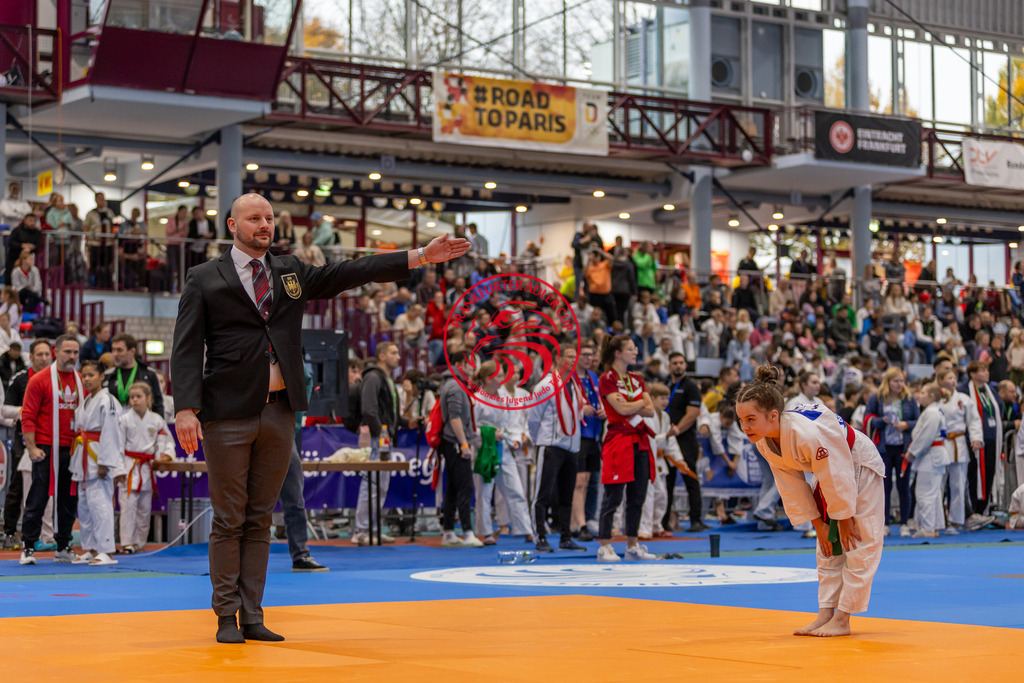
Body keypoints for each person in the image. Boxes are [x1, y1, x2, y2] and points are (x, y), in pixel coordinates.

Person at [171, 192, 468, 643]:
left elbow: (350, 272)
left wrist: (420, 255)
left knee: (260, 518)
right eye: (254, 218)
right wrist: (184, 408)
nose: (264, 225)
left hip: (280, 413)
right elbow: (186, 346)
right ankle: (225, 615)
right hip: (226, 413)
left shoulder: (289, 270)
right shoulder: (204, 278)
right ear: (233, 226)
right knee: (229, 518)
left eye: (269, 218)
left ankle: (253, 614)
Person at [736, 366, 885, 637]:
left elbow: (837, 471)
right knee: (827, 547)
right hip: (829, 473)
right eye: (741, 421)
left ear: (772, 416)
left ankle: (843, 618)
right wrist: (818, 524)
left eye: (750, 419)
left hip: (857, 463)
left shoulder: (805, 434)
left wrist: (844, 516)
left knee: (858, 542)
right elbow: (791, 486)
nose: (745, 427)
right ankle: (826, 613)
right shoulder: (765, 441)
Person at [18, 335, 83, 566]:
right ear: (56, 352)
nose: (72, 357)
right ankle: (28, 546)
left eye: (75, 352)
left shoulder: (80, 380)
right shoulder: (40, 379)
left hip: (71, 448)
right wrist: (32, 447)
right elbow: (27, 415)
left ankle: (64, 546)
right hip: (45, 447)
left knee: (68, 500)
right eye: (67, 352)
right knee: (38, 498)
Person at [595, 335, 657, 562]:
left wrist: (635, 404)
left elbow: (651, 410)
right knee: (613, 495)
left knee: (637, 495)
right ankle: (604, 545)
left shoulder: (637, 379)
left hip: (639, 440)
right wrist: (640, 402)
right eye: (631, 348)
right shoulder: (607, 378)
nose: (636, 352)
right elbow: (620, 409)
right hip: (618, 440)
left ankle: (632, 545)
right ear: (618, 353)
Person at [528, 343, 587, 553]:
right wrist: (539, 440)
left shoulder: (574, 383)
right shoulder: (545, 385)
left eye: (574, 357)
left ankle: (565, 537)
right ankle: (540, 536)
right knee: (543, 493)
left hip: (571, 445)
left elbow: (576, 410)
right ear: (558, 358)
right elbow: (533, 418)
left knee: (566, 495)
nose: (573, 361)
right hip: (551, 444)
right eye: (569, 357)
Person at [69, 360, 125, 566]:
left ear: (102, 377)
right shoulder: (86, 401)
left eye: (91, 375)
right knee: (85, 507)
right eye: (84, 375)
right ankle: (91, 549)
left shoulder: (107, 401)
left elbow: (111, 434)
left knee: (100, 505)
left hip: (97, 458)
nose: (86, 379)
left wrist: (105, 463)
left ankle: (107, 550)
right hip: (83, 459)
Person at [471, 361, 534, 545]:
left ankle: (525, 529)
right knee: (484, 493)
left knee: (516, 490)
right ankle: (486, 533)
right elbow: (472, 429)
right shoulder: (476, 400)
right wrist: (489, 434)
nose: (503, 379)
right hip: (485, 451)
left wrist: (513, 439)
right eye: (499, 376)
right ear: (488, 378)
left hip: (505, 450)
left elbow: (510, 423)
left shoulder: (504, 398)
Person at [352, 341, 404, 546]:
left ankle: (372, 529)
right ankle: (362, 530)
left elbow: (389, 413)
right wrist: (381, 434)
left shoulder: (387, 379)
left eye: (398, 352)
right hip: (377, 439)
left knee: (380, 486)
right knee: (372, 485)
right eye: (393, 352)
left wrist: (407, 422)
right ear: (381, 356)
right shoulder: (373, 377)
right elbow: (369, 410)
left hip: (382, 438)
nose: (398, 356)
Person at [1, 340, 52, 551]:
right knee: (17, 485)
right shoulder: (20, 378)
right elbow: (4, 410)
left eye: (47, 354)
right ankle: (11, 531)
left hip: (50, 439)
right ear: (30, 357)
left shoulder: (57, 379)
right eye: (39, 354)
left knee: (50, 487)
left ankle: (49, 535)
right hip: (25, 438)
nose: (43, 358)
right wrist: (27, 411)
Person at [118, 382, 175, 553]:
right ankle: (127, 543)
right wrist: (119, 470)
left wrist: (166, 454)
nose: (134, 400)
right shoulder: (124, 420)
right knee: (128, 508)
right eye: (132, 397)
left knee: (144, 509)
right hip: (130, 466)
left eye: (138, 396)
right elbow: (118, 447)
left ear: (148, 398)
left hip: (147, 468)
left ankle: (140, 543)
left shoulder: (156, 420)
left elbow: (167, 440)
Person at [437, 348, 483, 548]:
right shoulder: (455, 387)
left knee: (454, 488)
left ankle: (448, 531)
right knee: (465, 487)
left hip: (452, 441)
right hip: (455, 442)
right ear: (459, 365)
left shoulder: (454, 384)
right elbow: (455, 418)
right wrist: (464, 444)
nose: (473, 369)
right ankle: (467, 531)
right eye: (470, 364)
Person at [864, 367, 919, 536]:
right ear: (887, 382)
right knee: (884, 487)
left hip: (903, 448)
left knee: (903, 486)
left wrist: (906, 425)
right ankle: (885, 523)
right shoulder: (877, 398)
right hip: (884, 448)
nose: (899, 384)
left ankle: (904, 523)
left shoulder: (909, 399)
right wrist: (882, 421)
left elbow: (918, 420)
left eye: (902, 381)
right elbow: (867, 419)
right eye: (896, 381)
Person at [905, 382, 951, 539]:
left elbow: (925, 437)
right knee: (934, 493)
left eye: (923, 393)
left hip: (931, 456)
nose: (920, 395)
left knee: (925, 493)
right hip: (933, 456)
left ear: (932, 396)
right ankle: (935, 526)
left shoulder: (931, 412)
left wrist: (912, 452)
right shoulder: (933, 411)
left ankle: (928, 527)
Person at [959, 360, 1003, 523]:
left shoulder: (990, 390)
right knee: (974, 475)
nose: (986, 373)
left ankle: (984, 509)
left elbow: (999, 408)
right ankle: (973, 511)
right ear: (972, 374)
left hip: (991, 439)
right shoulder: (964, 391)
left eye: (986, 370)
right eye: (982, 370)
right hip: (973, 442)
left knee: (989, 473)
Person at [666, 353, 705, 532]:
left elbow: (691, 415)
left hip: (685, 438)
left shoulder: (690, 387)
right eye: (675, 363)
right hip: (667, 439)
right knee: (667, 480)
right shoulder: (666, 384)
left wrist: (677, 430)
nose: (679, 366)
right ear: (670, 365)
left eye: (681, 363)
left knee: (690, 478)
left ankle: (696, 519)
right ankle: (663, 521)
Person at [571, 344, 604, 541]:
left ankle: (581, 520)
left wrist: (602, 411)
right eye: (584, 354)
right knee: (579, 481)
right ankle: (579, 522)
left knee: (590, 480)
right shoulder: (570, 379)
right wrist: (579, 410)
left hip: (593, 433)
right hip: (577, 434)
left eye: (591, 355)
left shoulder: (593, 378)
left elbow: (599, 400)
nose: (588, 358)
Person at [105, 333, 165, 418]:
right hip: (114, 424)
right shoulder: (108, 375)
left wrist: (159, 425)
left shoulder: (149, 374)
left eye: (119, 350)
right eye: (113, 350)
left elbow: (158, 405)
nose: (115, 354)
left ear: (132, 351)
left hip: (141, 424)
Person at [84, 193, 117, 288]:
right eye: (99, 199)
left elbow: (113, 226)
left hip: (107, 243)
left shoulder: (109, 212)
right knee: (95, 265)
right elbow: (86, 227)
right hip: (95, 243)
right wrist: (88, 240)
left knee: (107, 264)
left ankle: (108, 283)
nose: (101, 200)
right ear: (96, 200)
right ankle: (94, 284)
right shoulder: (91, 214)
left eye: (103, 199)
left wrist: (112, 237)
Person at [165, 205, 189, 292]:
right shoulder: (171, 220)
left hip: (181, 246)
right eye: (182, 212)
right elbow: (169, 232)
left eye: (185, 213)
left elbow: (185, 234)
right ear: (178, 212)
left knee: (181, 267)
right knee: (171, 267)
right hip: (172, 245)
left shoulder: (185, 222)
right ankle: (169, 287)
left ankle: (180, 287)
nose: (184, 214)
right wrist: (179, 229)